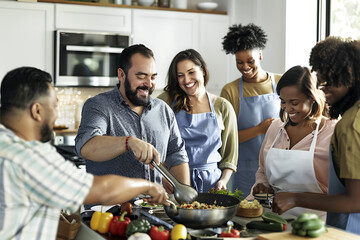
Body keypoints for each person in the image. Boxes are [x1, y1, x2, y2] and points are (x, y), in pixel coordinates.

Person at [0, 67, 168, 240]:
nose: (56, 115)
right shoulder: (28, 156)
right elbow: (102, 190)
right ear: (37, 111)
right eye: (55, 106)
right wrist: (148, 186)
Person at [272, 37, 360, 234]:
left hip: (351, 229)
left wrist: (296, 198)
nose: (323, 88)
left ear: (350, 77)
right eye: (321, 81)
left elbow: (356, 201)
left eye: (330, 80)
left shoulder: (350, 125)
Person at [75, 44, 191, 194]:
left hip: (154, 209)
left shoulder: (163, 110)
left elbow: (176, 153)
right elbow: (86, 146)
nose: (149, 84)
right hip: (110, 211)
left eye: (153, 77)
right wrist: (129, 142)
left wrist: (182, 194)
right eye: (141, 76)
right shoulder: (98, 105)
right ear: (121, 75)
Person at [251, 65, 337, 219]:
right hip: (273, 218)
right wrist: (262, 184)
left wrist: (295, 199)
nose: (287, 108)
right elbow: (262, 170)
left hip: (313, 224)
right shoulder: (275, 127)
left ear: (312, 98)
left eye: (294, 102)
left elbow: (341, 193)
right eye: (283, 101)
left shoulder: (332, 132)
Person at [157, 49, 238, 193]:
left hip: (212, 185)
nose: (186, 80)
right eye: (180, 76)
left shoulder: (223, 106)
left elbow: (229, 157)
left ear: (203, 71)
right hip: (175, 183)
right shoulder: (166, 101)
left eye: (191, 72)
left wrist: (223, 181)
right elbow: (152, 143)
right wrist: (163, 177)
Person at [220, 23, 282, 196]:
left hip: (277, 167)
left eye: (250, 61)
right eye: (239, 62)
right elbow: (227, 140)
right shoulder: (230, 90)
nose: (245, 67)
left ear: (260, 55)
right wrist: (259, 129)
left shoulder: (282, 82)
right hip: (244, 170)